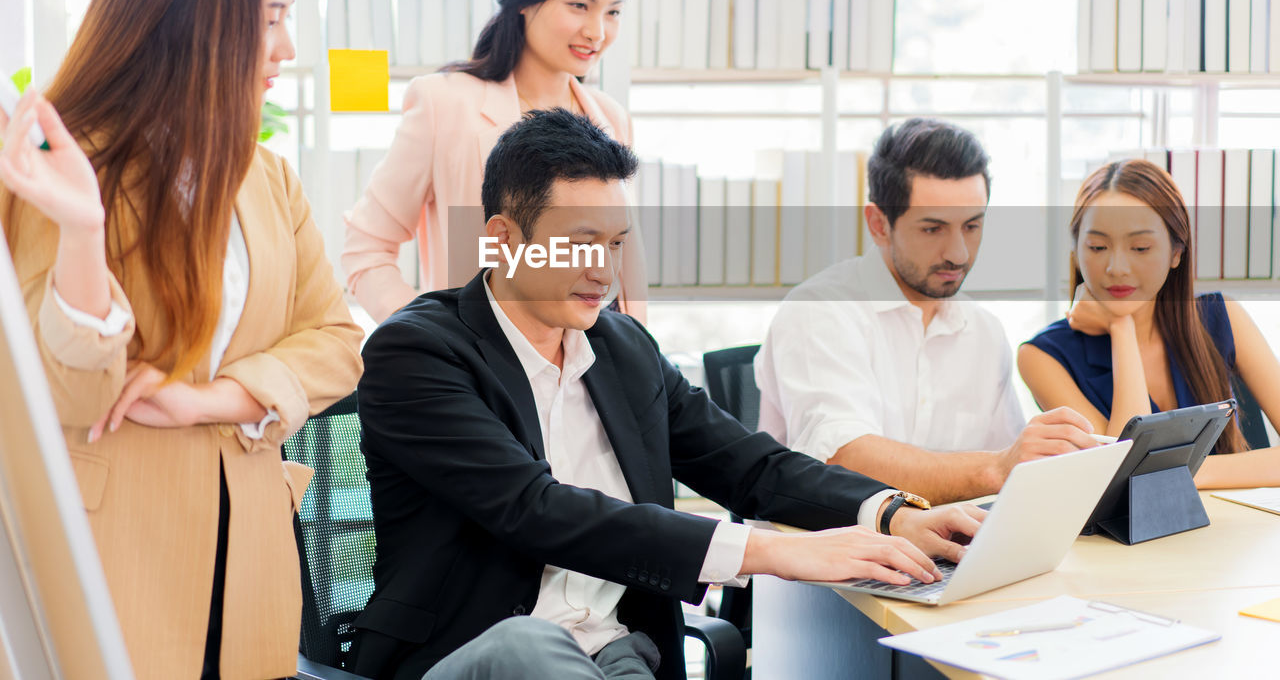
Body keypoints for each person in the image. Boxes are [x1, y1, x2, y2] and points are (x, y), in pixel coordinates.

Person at [353, 110, 985, 680]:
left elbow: (751, 465)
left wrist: (894, 513)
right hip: (472, 655)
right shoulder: (417, 353)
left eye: (616, 243)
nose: (604, 269)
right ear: (505, 239)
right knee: (529, 648)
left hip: (621, 655)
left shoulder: (624, 349)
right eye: (580, 241)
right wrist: (774, 551)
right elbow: (534, 509)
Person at [0, 0, 364, 680]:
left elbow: (337, 344)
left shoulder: (265, 179)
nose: (287, 46)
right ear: (198, 15)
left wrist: (213, 399)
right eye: (270, 17)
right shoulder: (67, 172)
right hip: (114, 562)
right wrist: (85, 230)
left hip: (249, 576)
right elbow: (69, 392)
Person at [756, 117, 1097, 504]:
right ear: (879, 224)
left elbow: (1013, 472)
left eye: (972, 226)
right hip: (829, 552)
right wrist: (997, 469)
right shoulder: (820, 312)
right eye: (933, 229)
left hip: (946, 551)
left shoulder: (983, 331)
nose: (958, 253)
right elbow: (844, 460)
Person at [343, 0, 645, 325]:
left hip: (593, 368)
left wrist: (639, 363)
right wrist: (431, 342)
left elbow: (625, 269)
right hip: (484, 373)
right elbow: (366, 248)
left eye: (613, 12)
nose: (597, 31)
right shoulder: (444, 105)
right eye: (579, 5)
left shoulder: (612, 118)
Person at [1018, 158, 1280, 488]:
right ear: (1076, 252)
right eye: (1097, 246)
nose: (1116, 267)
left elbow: (1143, 473)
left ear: (1176, 252)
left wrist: (1184, 471)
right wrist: (1121, 328)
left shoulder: (1220, 315)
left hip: (1233, 532)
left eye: (1140, 247)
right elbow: (1119, 475)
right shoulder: (1043, 356)